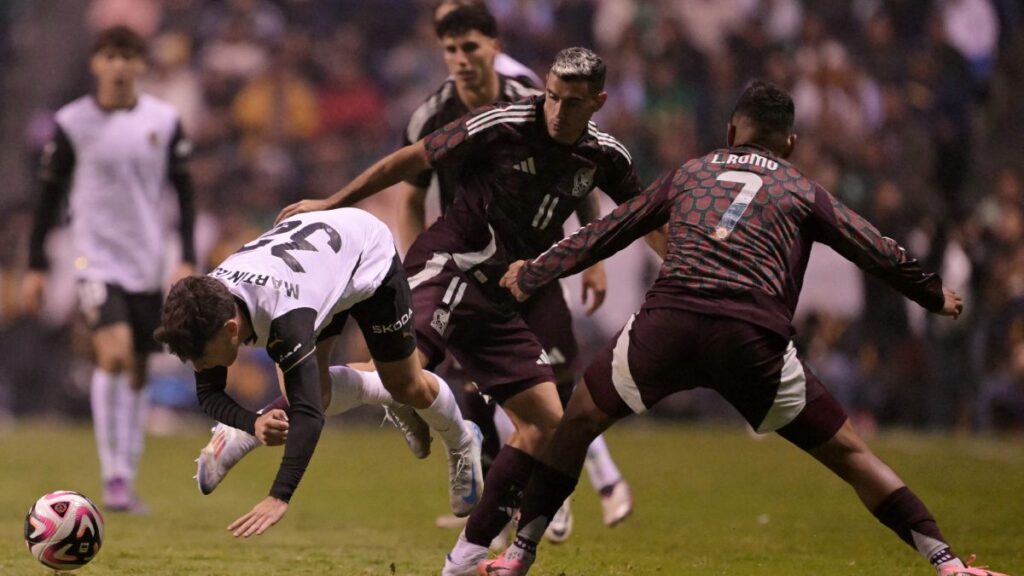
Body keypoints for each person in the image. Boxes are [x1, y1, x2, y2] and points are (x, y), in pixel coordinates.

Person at [482, 80, 1010, 576]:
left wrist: (534, 271)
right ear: (792, 142)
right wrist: (932, 293)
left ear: (731, 132)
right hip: (751, 338)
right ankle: (947, 563)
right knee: (851, 454)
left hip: (671, 324)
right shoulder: (802, 190)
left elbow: (607, 230)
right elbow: (871, 244)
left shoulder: (690, 172)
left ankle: (519, 556)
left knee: (577, 422)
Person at [277, 47, 660, 575]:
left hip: (504, 297)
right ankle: (256, 424)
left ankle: (464, 559)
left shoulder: (607, 156)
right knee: (406, 376)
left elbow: (644, 219)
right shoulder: (502, 123)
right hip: (451, 265)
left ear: (598, 102)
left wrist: (692, 263)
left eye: (571, 103)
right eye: (551, 97)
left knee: (548, 424)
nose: (556, 111)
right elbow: (411, 159)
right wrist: (334, 201)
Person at [400, 4, 634, 541]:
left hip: (533, 262)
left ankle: (580, 487)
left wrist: (591, 260)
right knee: (475, 391)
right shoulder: (431, 115)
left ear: (494, 45)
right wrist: (416, 267)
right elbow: (411, 195)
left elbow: (581, 168)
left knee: (553, 380)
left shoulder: (532, 95)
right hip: (465, 265)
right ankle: (504, 509)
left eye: (471, 46)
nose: (460, 59)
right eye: (450, 49)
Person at [154, 207, 484, 537]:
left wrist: (278, 496)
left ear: (231, 328)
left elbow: (309, 412)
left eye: (199, 356)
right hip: (314, 269)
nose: (197, 366)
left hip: (366, 255)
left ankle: (462, 440)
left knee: (407, 385)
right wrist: (253, 422)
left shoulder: (285, 318)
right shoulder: (206, 305)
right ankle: (381, 397)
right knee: (315, 389)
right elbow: (209, 392)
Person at [23, 25, 196, 514]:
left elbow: (184, 194)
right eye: (110, 56)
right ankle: (112, 474)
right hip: (94, 259)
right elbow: (48, 197)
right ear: (96, 64)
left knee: (140, 367)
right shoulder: (73, 123)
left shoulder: (164, 121)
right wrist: (36, 263)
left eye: (128, 56)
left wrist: (183, 254)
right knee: (114, 352)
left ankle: (126, 474)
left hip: (146, 259)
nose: (119, 65)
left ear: (141, 64)